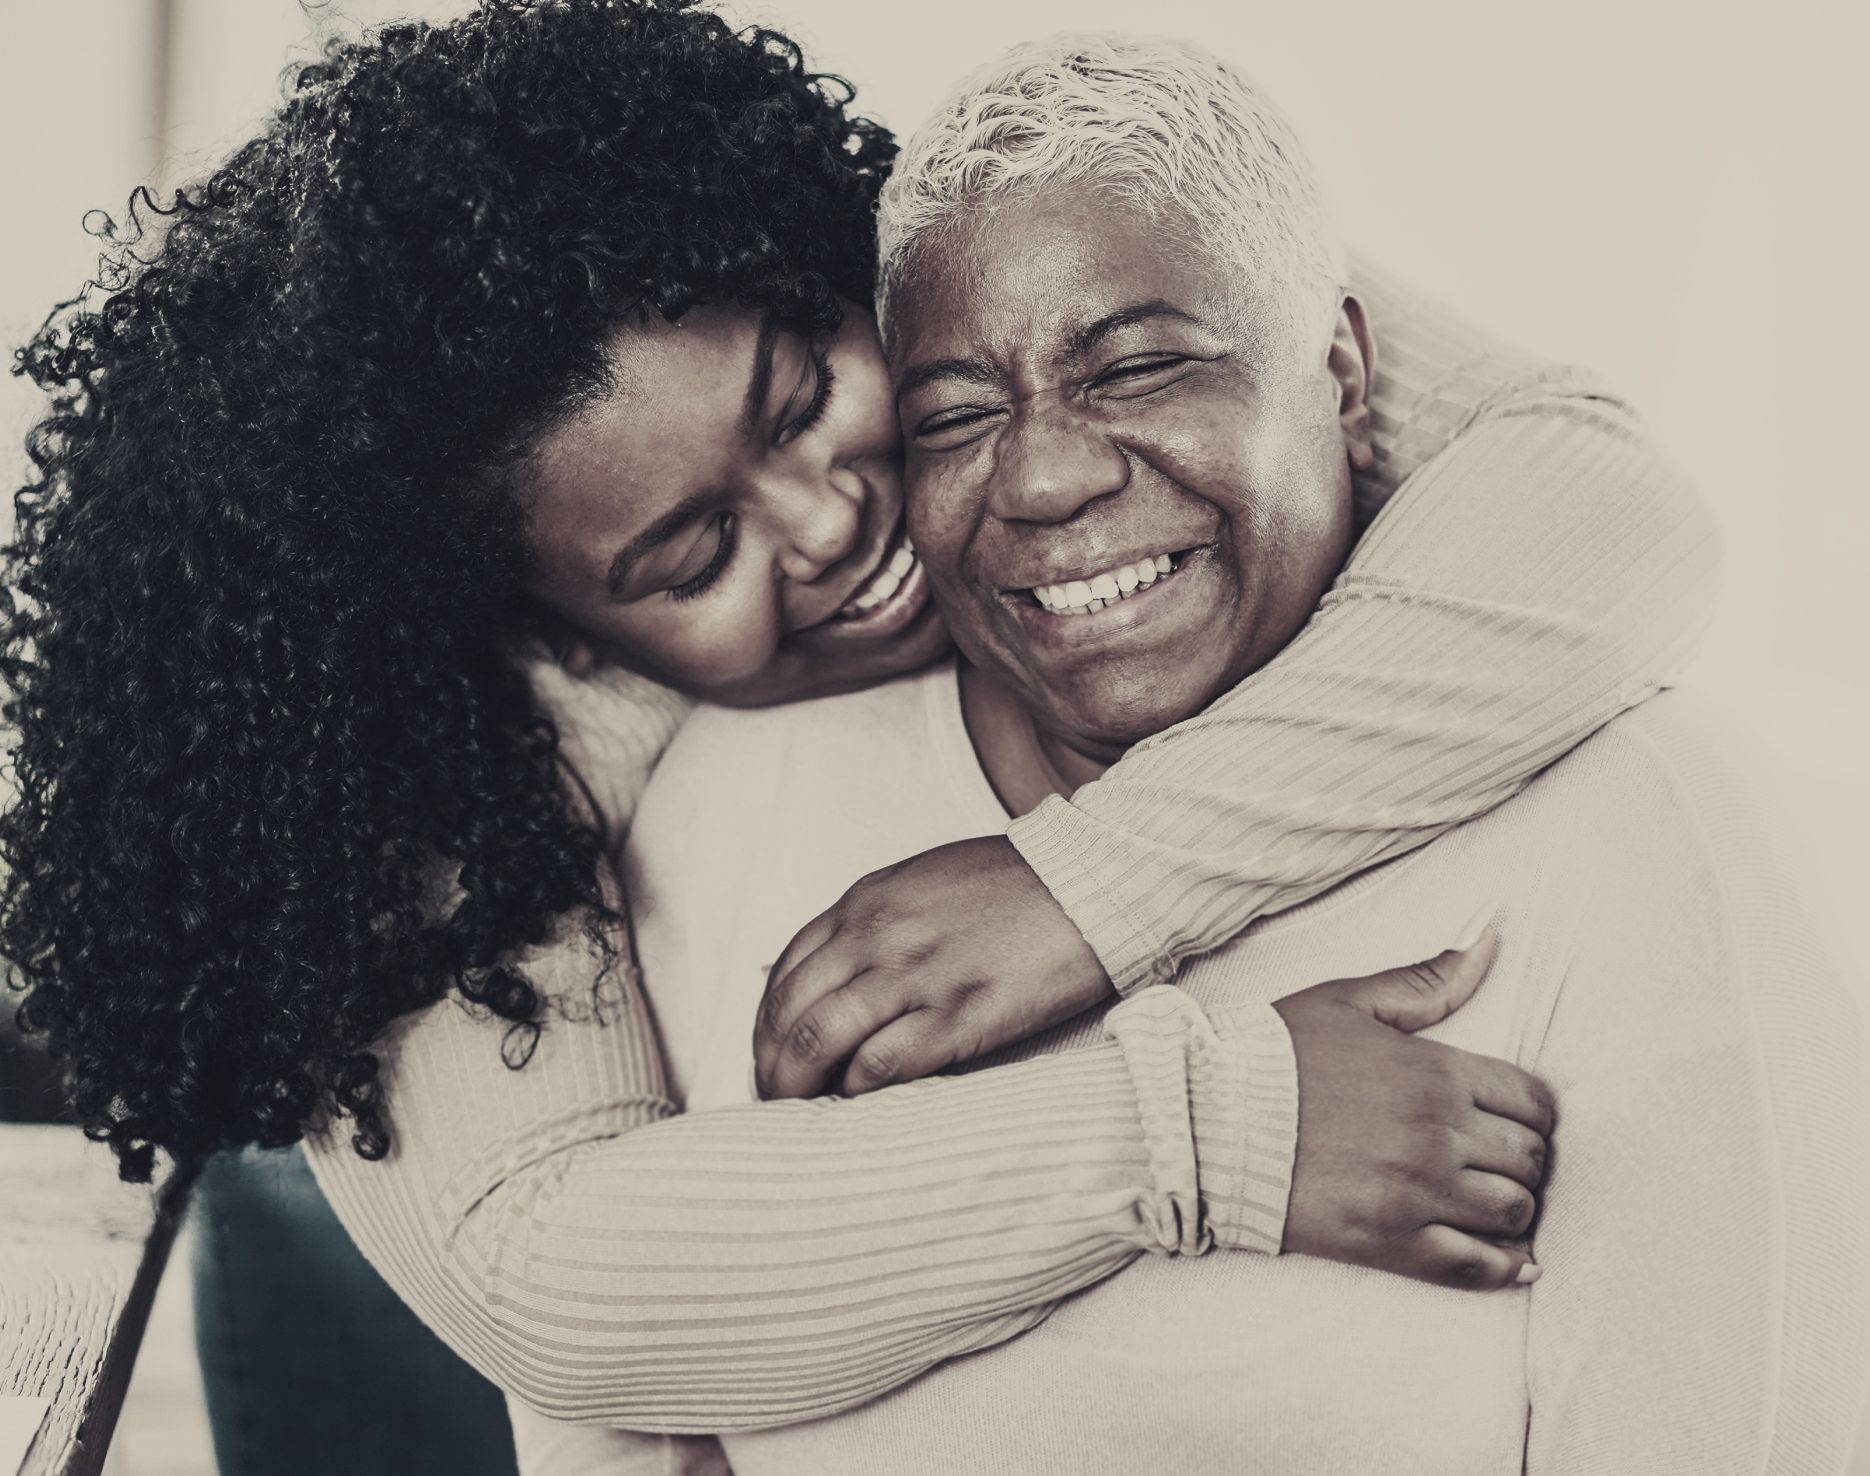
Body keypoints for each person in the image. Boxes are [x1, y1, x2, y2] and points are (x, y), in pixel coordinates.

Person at [0, 1, 1714, 1468]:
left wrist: (1089, 886)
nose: (823, 523)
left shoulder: (971, 256)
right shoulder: (458, 739)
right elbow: (554, 1273)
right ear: (556, 632)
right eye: (690, 557)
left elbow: (1602, 498)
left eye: (807, 393)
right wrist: (1211, 1130)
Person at [559, 33, 1870, 1473]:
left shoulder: (1645, 830)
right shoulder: (723, 814)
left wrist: (1087, 887)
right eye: (953, 414)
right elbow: (617, 1417)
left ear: (1342, 371)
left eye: (1140, 366)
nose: (1045, 472)